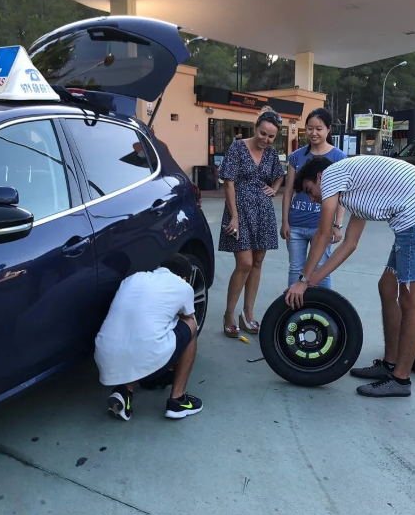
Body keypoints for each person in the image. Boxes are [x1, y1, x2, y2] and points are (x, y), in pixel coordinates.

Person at [285, 155, 415, 398]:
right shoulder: (355, 190)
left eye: (310, 190)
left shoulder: (331, 175)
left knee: (410, 299)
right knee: (387, 286)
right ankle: (390, 364)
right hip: (414, 217)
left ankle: (401, 380)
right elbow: (349, 244)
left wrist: (303, 279)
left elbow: (323, 233)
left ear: (319, 178)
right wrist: (313, 281)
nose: (312, 198)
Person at [95, 253, 203, 421]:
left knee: (136, 329)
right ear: (184, 277)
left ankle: (124, 392)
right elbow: (187, 317)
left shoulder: (132, 278)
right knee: (191, 325)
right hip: (146, 353)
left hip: (104, 355)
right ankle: (178, 400)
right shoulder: (183, 287)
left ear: (159, 268)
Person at [219, 110, 285, 338]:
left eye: (270, 137)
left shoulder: (272, 153)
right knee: (244, 263)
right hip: (239, 211)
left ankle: (248, 314)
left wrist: (274, 189)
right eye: (262, 133)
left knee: (257, 263)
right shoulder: (238, 148)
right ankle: (229, 314)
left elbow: (279, 175)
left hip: (263, 212)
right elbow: (228, 183)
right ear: (255, 127)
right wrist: (234, 216)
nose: (265, 140)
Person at [280, 108, 346, 289]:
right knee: (296, 269)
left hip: (321, 224)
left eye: (319, 128)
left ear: (328, 129)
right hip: (296, 225)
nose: (314, 133)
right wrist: (285, 221)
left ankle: (323, 306)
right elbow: (289, 191)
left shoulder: (338, 157)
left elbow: (342, 195)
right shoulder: (296, 156)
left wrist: (337, 225)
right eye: (310, 128)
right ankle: (293, 308)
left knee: (321, 269)